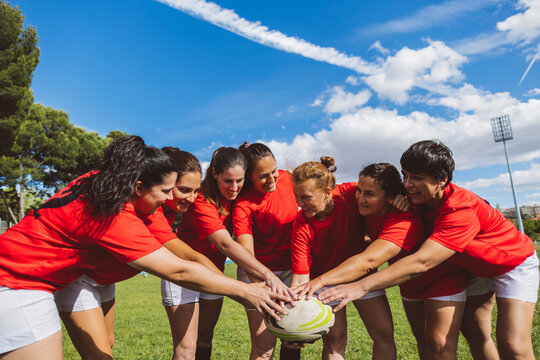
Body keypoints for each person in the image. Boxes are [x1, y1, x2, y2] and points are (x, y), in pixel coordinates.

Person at [0, 136, 287, 360]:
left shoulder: (103, 184)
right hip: (17, 282)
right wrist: (247, 291)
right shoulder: (115, 215)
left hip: (32, 278)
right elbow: (177, 270)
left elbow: (186, 255)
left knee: (104, 347)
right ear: (138, 187)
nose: (169, 198)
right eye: (165, 191)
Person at [318, 140, 539, 360]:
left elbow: (422, 261)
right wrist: (392, 199)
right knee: (472, 334)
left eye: (417, 178)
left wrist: (359, 287)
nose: (408, 184)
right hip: (467, 268)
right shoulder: (411, 199)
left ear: (442, 180)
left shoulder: (460, 210)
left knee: (513, 345)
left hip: (511, 265)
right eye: (406, 176)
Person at [53, 146, 222, 360]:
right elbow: (187, 259)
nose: (192, 198)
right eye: (183, 189)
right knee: (99, 354)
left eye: (196, 191)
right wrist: (243, 290)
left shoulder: (157, 207)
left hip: (103, 279)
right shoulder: (152, 212)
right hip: (79, 278)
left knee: (108, 341)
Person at [296, 163, 468, 359]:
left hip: (432, 277)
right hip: (399, 282)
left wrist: (319, 282)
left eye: (369, 194)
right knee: (419, 339)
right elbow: (322, 188)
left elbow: (369, 260)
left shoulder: (403, 218)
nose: (360, 198)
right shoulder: (349, 196)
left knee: (422, 340)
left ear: (389, 196)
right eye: (359, 191)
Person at [168, 147, 295, 360]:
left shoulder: (237, 195)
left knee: (205, 337)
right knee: (186, 348)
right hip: (183, 271)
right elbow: (225, 244)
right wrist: (268, 276)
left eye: (240, 180)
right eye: (228, 181)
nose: (234, 187)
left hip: (213, 271)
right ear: (215, 173)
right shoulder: (200, 200)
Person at [290, 157, 396, 360]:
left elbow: (381, 188)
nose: (299, 203)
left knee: (384, 334)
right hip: (323, 282)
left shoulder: (351, 193)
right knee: (335, 341)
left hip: (361, 275)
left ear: (328, 192)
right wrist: (294, 314)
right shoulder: (300, 226)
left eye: (306, 197)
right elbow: (300, 279)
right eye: (296, 196)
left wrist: (399, 197)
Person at [234, 142, 300, 360]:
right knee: (264, 346)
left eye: (274, 171)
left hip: (292, 270)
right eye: (263, 176)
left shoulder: (288, 179)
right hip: (257, 274)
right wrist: (264, 286)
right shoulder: (243, 204)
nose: (272, 179)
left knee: (293, 337)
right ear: (248, 176)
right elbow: (246, 255)